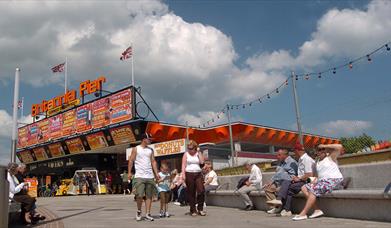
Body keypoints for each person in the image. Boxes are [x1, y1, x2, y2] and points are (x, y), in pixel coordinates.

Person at [293, 144, 344, 221]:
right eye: (319, 150)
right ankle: (317, 210)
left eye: (322, 150)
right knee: (304, 187)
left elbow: (339, 147)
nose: (321, 151)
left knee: (313, 190)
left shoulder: (330, 157)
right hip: (322, 181)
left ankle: (303, 213)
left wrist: (325, 146)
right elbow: (316, 177)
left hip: (334, 181)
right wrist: (306, 182)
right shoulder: (317, 162)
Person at [268, 142, 315, 216]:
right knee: (287, 183)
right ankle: (283, 205)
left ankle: (285, 208)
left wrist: (298, 179)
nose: (293, 153)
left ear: (297, 150)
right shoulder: (301, 159)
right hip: (302, 180)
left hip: (309, 181)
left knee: (289, 187)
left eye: (294, 151)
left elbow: (310, 175)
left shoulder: (306, 159)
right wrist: (297, 178)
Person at [128, 133, 160, 221]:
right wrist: (129, 172)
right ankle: (139, 211)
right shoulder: (136, 149)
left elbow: (153, 161)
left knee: (149, 196)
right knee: (139, 195)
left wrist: (156, 174)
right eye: (149, 139)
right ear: (143, 139)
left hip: (149, 176)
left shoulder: (150, 150)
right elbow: (131, 160)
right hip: (139, 176)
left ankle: (148, 213)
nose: (150, 140)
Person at [264, 149, 298, 214]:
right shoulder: (280, 163)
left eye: (279, 155)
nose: (277, 156)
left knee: (278, 189)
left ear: (285, 155)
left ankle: (278, 207)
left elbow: (293, 176)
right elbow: (277, 174)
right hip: (278, 182)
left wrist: (281, 184)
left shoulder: (291, 163)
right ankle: (276, 207)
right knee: (267, 188)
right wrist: (271, 181)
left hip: (286, 183)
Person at [181, 140, 206, 216]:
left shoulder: (198, 153)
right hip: (189, 173)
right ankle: (193, 210)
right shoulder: (186, 154)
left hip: (198, 173)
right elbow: (183, 165)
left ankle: (200, 209)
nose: (190, 150)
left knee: (201, 191)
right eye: (188, 148)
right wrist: (183, 175)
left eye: (191, 148)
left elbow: (202, 163)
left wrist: (199, 152)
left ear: (195, 148)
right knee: (191, 192)